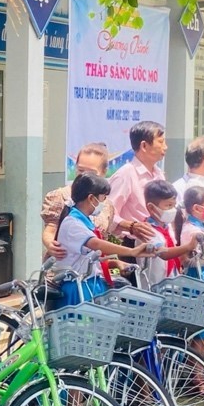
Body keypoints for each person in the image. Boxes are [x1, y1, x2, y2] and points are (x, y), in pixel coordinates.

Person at [49, 173, 150, 303]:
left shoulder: (85, 221)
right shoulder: (72, 223)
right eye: (103, 198)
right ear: (91, 198)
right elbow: (95, 244)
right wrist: (131, 251)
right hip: (78, 286)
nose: (104, 202)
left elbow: (92, 257)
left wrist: (115, 263)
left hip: (89, 283)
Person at [40, 143, 115, 249]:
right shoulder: (60, 196)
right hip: (66, 261)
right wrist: (50, 244)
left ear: (103, 173)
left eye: (92, 172)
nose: (84, 176)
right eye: (81, 170)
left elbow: (103, 239)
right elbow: (51, 228)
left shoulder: (106, 205)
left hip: (93, 263)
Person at [108, 120, 170, 244]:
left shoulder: (158, 174)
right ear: (144, 146)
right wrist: (131, 226)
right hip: (134, 244)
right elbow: (107, 214)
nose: (166, 147)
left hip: (159, 241)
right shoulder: (125, 174)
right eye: (161, 142)